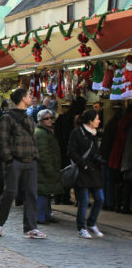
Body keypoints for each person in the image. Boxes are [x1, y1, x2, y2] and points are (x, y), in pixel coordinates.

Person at [0, 88, 46, 239]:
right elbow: (1, 140)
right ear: (23, 98)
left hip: (30, 161)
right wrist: (9, 159)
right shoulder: (7, 117)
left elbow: (32, 139)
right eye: (29, 96)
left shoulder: (29, 118)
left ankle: (30, 228)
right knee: (10, 193)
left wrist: (35, 157)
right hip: (15, 161)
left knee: (31, 194)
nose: (31, 98)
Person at [68, 109, 106, 239]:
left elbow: (94, 152)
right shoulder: (77, 133)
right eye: (97, 119)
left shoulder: (94, 134)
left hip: (94, 171)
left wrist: (99, 159)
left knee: (100, 198)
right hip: (82, 171)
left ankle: (91, 223)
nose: (99, 121)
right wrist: (82, 164)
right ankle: (81, 228)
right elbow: (71, 151)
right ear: (90, 121)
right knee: (83, 201)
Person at [55, 96, 87, 205]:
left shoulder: (62, 118)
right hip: (70, 151)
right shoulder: (76, 119)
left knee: (65, 174)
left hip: (62, 150)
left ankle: (60, 197)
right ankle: (70, 198)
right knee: (74, 175)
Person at [34, 109, 62, 224]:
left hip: (48, 167)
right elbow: (43, 153)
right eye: (47, 118)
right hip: (43, 168)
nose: (50, 120)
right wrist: (49, 169)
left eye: (51, 118)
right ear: (41, 120)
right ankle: (40, 216)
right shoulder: (41, 134)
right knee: (42, 192)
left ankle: (46, 214)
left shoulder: (47, 132)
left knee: (47, 192)